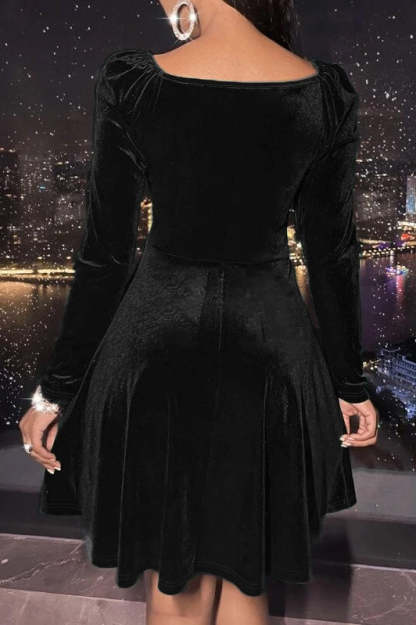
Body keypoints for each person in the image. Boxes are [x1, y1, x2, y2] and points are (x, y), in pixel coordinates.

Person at [18, 0, 379, 623]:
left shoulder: (133, 83)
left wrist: (55, 393)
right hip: (271, 352)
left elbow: (105, 254)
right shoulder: (325, 93)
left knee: (176, 578)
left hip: (158, 349)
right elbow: (333, 255)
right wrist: (349, 382)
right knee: (246, 574)